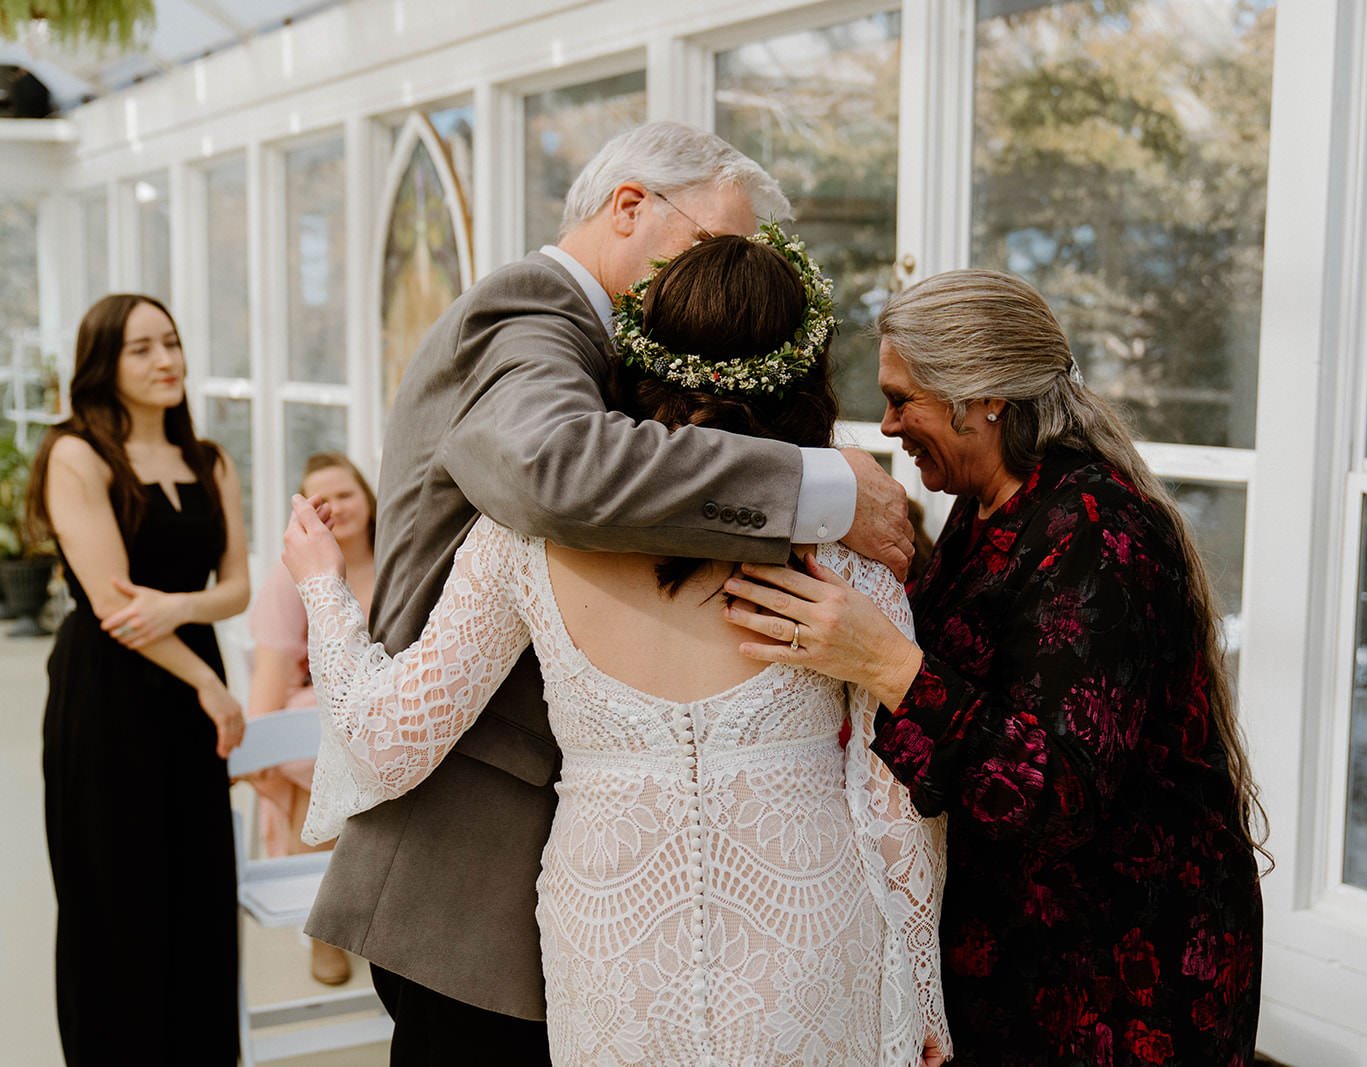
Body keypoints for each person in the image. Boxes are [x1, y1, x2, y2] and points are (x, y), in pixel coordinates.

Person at [303, 119, 915, 1063]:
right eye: (717, 248)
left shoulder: (589, 339)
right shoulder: (529, 316)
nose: (716, 280)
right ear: (631, 206)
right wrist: (818, 484)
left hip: (581, 870)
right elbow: (558, 471)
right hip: (466, 851)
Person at [724, 269, 1267, 1064]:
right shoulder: (988, 510)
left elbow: (1060, 795)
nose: (889, 422)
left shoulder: (1093, 526)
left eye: (903, 399)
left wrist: (885, 661)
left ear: (982, 400)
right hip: (1024, 967)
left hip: (1121, 977)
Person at [27, 293, 250, 1063]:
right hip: (109, 698)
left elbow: (237, 587)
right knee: (114, 906)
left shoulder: (210, 459)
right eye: (142, 349)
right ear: (103, 364)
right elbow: (115, 608)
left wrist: (183, 606)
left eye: (173, 343)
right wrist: (208, 682)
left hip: (189, 697)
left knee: (196, 898)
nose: (167, 361)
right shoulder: (75, 454)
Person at [246, 451, 376, 985]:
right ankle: (324, 927)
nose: (336, 508)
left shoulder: (402, 556)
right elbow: (271, 673)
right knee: (314, 746)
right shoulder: (293, 574)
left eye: (345, 494)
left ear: (368, 498)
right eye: (320, 499)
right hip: (326, 721)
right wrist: (259, 750)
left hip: (387, 712)